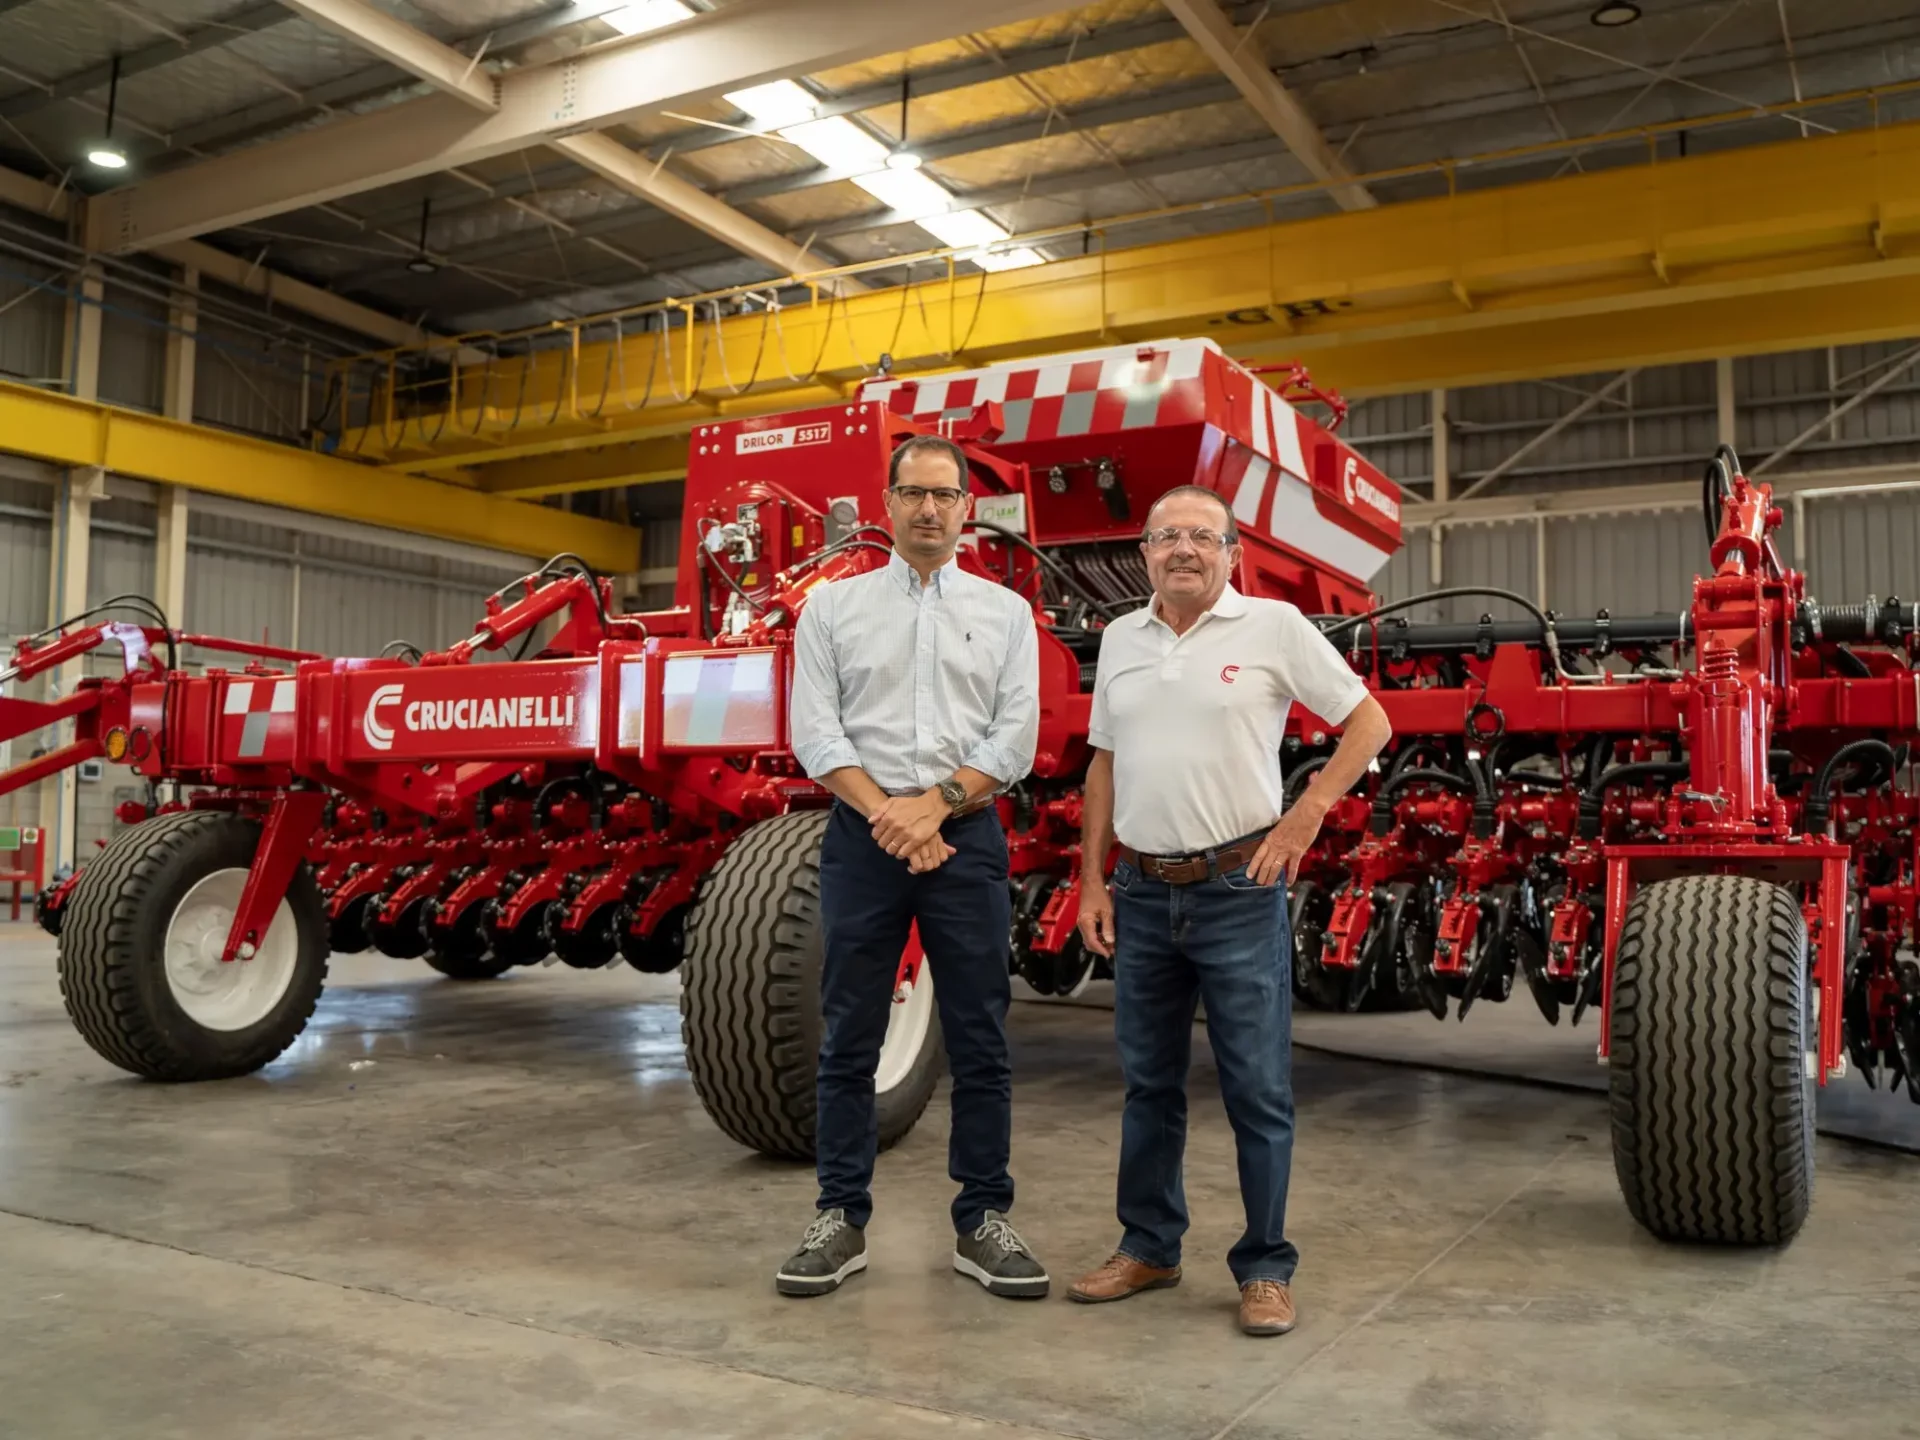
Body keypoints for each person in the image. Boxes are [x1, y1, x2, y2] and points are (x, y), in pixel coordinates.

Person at [1068, 484, 1392, 1336]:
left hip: (1237, 890)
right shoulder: (1120, 639)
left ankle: (1265, 1266)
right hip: (1139, 894)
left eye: (1202, 537)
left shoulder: (1274, 628)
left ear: (1231, 553)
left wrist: (1307, 811)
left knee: (1257, 1087)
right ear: (1144, 551)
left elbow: (1369, 723)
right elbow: (1103, 765)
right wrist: (1092, 879)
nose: (1184, 549)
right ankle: (1149, 1246)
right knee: (1149, 1086)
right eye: (1167, 535)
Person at [776, 433, 1049, 1301]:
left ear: (970, 509)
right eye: (913, 494)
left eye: (945, 495)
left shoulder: (1006, 614)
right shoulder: (832, 610)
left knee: (981, 1037)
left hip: (964, 835)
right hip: (866, 835)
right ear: (886, 504)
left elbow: (1015, 738)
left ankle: (983, 1219)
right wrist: (892, 813)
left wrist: (936, 805)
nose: (929, 509)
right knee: (849, 1034)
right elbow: (816, 735)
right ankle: (839, 1216)